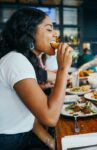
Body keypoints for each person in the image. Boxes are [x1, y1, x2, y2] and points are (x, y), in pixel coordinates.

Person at [0, 8, 72, 150]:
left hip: (20, 136)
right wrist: (63, 69)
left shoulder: (22, 60)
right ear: (30, 31)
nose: (56, 34)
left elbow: (28, 115)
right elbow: (50, 118)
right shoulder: (16, 60)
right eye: (49, 29)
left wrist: (50, 141)